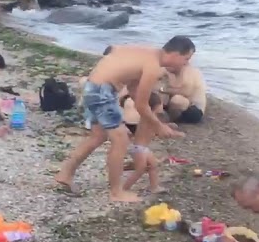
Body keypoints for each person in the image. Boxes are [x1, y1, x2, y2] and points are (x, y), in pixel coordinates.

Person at [54, 37, 196, 202]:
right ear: (176, 54)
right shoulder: (153, 66)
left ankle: (65, 174)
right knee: (121, 139)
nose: (186, 64)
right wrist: (158, 126)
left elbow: (133, 90)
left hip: (92, 86)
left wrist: (157, 123)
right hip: (102, 91)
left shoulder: (146, 53)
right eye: (186, 59)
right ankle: (116, 192)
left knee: (98, 136)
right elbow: (141, 105)